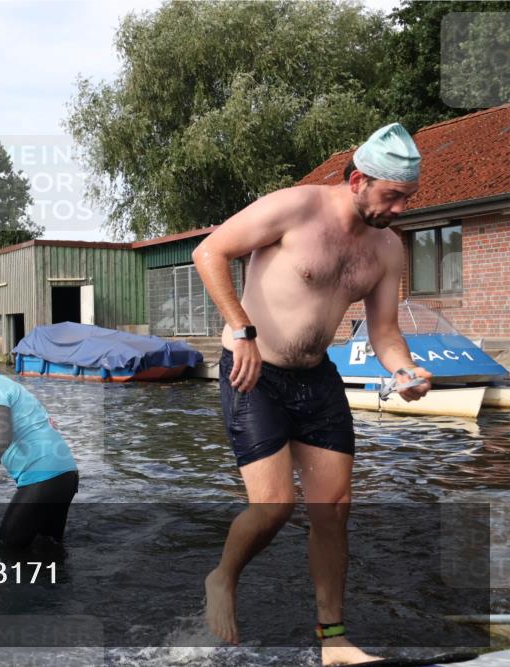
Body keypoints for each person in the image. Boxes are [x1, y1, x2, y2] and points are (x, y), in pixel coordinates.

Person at [191, 122, 433, 665]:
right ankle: (222, 577)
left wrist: (403, 371)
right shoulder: (294, 208)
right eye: (391, 196)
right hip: (254, 373)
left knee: (334, 510)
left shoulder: (387, 250)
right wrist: (242, 329)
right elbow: (210, 253)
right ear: (357, 180)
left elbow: (386, 333)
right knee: (274, 507)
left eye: (406, 199)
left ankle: (334, 641)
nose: (398, 209)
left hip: (317, 379)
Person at [0, 341, 79, 550]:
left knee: (7, 548)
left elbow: (1, 438)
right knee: (48, 548)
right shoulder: (7, 386)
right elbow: (5, 447)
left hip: (43, 478)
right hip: (65, 476)